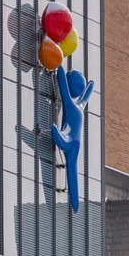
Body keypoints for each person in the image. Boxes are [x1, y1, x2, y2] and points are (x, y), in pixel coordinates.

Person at [52, 68, 94, 212]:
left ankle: (75, 205)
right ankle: (75, 205)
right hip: (74, 143)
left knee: (72, 170)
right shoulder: (80, 106)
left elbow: (63, 86)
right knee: (72, 171)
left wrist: (60, 70)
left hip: (69, 140)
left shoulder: (70, 104)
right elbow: (87, 94)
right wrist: (89, 86)